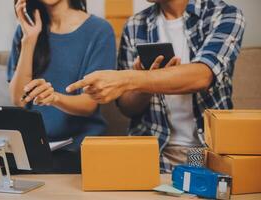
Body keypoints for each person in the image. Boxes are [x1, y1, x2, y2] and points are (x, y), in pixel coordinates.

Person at [66, 0, 245, 172]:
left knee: (199, 186)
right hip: (153, 153)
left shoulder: (225, 15)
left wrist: (130, 78)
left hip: (206, 152)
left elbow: (203, 76)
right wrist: (144, 86)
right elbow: (128, 109)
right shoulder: (135, 25)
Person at [8, 0, 116, 173]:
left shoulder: (99, 30)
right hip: (34, 147)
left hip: (79, 148)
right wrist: (29, 39)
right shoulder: (26, 30)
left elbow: (89, 105)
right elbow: (18, 100)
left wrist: (55, 98)